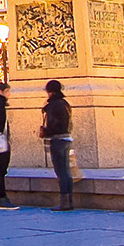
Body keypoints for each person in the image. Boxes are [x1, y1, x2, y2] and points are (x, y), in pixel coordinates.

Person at [40, 80, 74, 211]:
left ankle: (64, 202)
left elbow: (54, 125)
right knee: (66, 171)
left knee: (61, 172)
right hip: (66, 138)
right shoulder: (65, 104)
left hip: (57, 140)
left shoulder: (54, 105)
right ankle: (68, 200)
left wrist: (45, 131)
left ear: (49, 91)